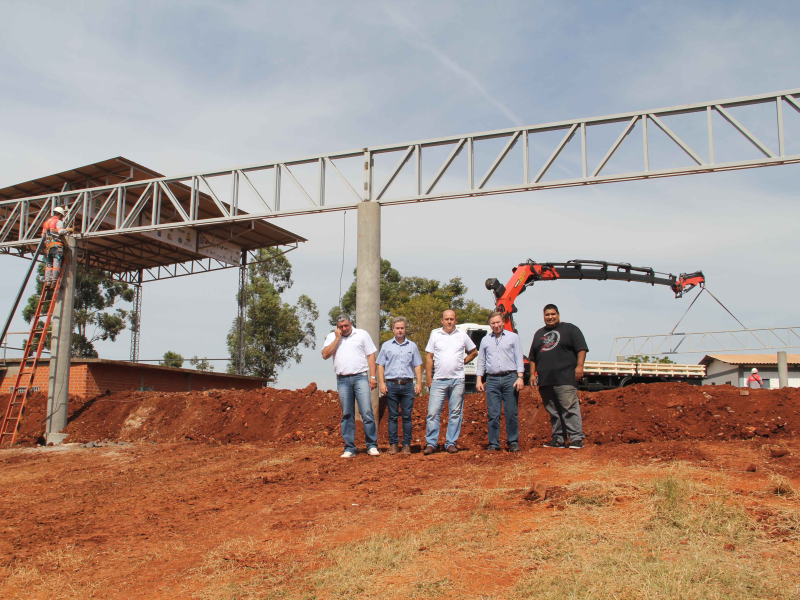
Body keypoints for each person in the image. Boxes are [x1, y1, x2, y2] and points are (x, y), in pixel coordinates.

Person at [529, 304, 588, 449]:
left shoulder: (570, 329)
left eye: (553, 314)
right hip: (545, 380)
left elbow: (581, 348)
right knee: (554, 411)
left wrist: (579, 366)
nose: (550, 317)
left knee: (569, 408)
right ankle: (558, 439)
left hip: (565, 378)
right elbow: (532, 357)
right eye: (547, 315)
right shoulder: (539, 334)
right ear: (544, 317)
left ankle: (576, 438)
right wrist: (532, 374)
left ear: (558, 314)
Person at [321, 314, 379, 458]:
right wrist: (337, 338)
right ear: (337, 327)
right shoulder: (332, 337)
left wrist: (373, 377)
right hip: (343, 380)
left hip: (361, 377)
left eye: (346, 325)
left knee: (366, 412)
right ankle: (349, 448)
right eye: (341, 327)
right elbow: (325, 355)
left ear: (351, 323)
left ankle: (372, 445)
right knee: (347, 414)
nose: (344, 328)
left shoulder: (362, 334)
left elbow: (371, 355)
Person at [424, 310, 478, 455]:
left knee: (455, 413)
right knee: (433, 413)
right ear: (442, 321)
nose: (449, 321)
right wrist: (429, 378)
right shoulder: (435, 334)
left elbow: (474, 352)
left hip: (457, 380)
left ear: (455, 320)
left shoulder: (461, 335)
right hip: (439, 380)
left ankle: (451, 443)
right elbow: (429, 357)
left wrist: (462, 362)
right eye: (446, 319)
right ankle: (431, 443)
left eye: (452, 319)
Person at [476, 312, 525, 452]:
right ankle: (493, 444)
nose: (496, 325)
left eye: (498, 322)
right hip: (491, 380)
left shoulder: (513, 337)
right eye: (493, 323)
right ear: (490, 324)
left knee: (511, 412)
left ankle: (513, 442)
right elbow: (481, 361)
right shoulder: (485, 340)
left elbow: (518, 357)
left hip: (510, 378)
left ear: (503, 322)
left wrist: (520, 377)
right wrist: (479, 379)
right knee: (493, 413)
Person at [376, 317, 423, 455]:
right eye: (397, 328)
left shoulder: (412, 346)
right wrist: (382, 383)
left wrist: (419, 383)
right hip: (392, 385)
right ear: (393, 329)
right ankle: (393, 445)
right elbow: (380, 365)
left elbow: (417, 365)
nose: (400, 330)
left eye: (402, 328)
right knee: (393, 416)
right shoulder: (386, 346)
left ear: (405, 329)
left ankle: (407, 445)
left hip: (408, 385)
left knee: (407, 416)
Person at [42, 207, 74, 289]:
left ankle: (48, 281)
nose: (62, 218)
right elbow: (60, 232)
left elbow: (43, 236)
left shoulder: (46, 223)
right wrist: (68, 230)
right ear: (60, 214)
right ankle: (54, 282)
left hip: (48, 247)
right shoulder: (58, 221)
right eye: (62, 216)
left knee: (48, 264)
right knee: (56, 264)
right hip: (57, 246)